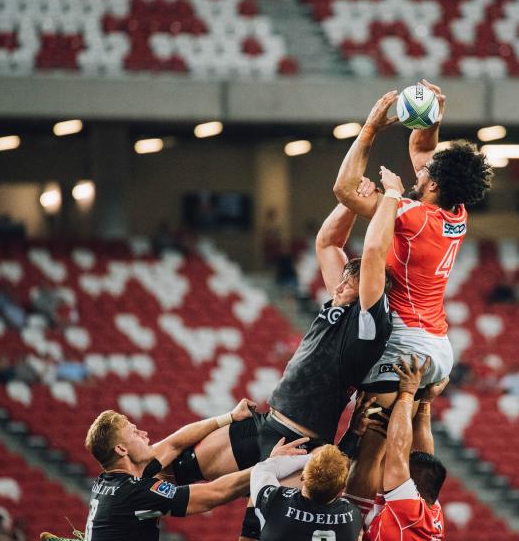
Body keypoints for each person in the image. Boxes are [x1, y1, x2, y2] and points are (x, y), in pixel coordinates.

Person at [160, 169, 403, 488]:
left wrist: (390, 197)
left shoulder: (368, 326)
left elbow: (373, 257)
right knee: (171, 471)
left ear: (368, 290)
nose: (340, 286)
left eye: (351, 283)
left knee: (271, 523)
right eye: (342, 279)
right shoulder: (340, 301)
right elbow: (328, 243)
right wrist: (352, 203)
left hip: (301, 447)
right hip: (266, 423)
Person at [332, 80, 494, 404]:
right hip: (439, 347)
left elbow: (344, 189)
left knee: (369, 436)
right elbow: (422, 151)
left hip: (406, 344)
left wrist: (369, 131)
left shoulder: (413, 216)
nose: (418, 169)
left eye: (425, 172)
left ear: (432, 184)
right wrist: (432, 118)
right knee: (415, 433)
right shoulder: (457, 213)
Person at [81, 399, 256, 540]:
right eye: (135, 433)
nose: (144, 434)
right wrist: (269, 466)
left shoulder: (111, 479)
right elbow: (213, 494)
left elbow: (175, 443)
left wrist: (231, 416)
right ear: (121, 450)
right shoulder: (135, 493)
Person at [363, 356, 448, 540]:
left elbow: (398, 449)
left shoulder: (413, 511)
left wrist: (408, 394)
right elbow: (422, 458)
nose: (398, 466)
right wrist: (423, 402)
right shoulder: (426, 510)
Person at [238, 439, 362, 541]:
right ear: (342, 487)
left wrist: (309, 457)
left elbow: (262, 469)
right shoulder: (353, 515)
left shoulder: (276, 501)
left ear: (303, 476)